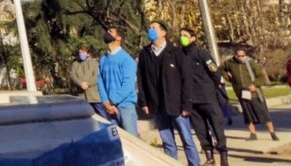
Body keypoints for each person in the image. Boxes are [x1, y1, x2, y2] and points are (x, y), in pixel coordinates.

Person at [137, 20, 200, 165]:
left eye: (154, 28)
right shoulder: (145, 54)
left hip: (176, 104)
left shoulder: (176, 52)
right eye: (149, 28)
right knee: (167, 141)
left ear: (163, 32)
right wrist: (144, 101)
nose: (150, 30)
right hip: (157, 104)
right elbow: (141, 79)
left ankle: (194, 163)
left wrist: (186, 105)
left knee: (187, 140)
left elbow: (186, 80)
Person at [179, 26, 229, 166]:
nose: (182, 37)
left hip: (208, 98)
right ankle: (209, 156)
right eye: (181, 35)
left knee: (217, 128)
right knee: (201, 131)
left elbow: (216, 74)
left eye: (185, 35)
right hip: (192, 101)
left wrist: (211, 90)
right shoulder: (181, 56)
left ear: (193, 38)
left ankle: (224, 158)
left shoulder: (202, 54)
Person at [220, 46, 279, 141]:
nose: (241, 57)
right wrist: (229, 78)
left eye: (243, 55)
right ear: (235, 55)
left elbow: (260, 76)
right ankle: (252, 133)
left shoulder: (250, 63)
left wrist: (254, 85)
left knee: (263, 113)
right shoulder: (230, 63)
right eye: (238, 56)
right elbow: (221, 69)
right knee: (248, 114)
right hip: (241, 92)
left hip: (254, 93)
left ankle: (272, 132)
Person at [97, 26, 139, 137]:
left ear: (118, 38)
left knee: (132, 141)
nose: (107, 33)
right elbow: (100, 81)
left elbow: (128, 86)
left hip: (125, 106)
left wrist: (112, 101)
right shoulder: (103, 59)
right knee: (114, 139)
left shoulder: (127, 60)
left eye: (111, 32)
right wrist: (106, 102)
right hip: (109, 108)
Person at [69, 44, 108, 118]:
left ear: (88, 53)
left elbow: (97, 76)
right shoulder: (75, 64)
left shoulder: (94, 63)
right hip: (82, 96)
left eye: (83, 53)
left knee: (103, 117)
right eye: (80, 52)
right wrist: (80, 83)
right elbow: (72, 76)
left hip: (95, 96)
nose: (81, 54)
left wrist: (88, 84)